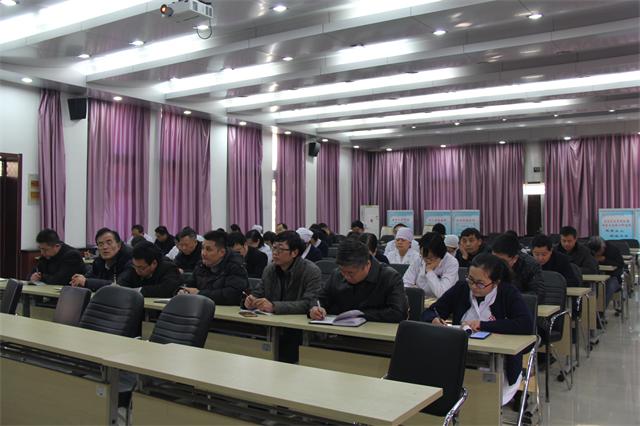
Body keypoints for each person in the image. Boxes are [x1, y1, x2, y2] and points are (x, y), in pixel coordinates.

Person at [422, 253, 533, 407]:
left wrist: (482, 325)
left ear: (495, 282)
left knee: (485, 401)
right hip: (461, 355)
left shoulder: (508, 293)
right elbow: (430, 312)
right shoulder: (461, 288)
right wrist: (434, 319)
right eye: (471, 280)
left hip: (499, 360)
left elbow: (525, 324)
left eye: (480, 284)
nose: (473, 287)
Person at [244, 230, 322, 363]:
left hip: (297, 332)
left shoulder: (311, 271)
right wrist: (251, 300)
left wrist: (274, 307)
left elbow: (309, 303)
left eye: (280, 249)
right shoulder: (270, 269)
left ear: (294, 252)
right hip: (271, 327)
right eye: (273, 248)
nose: (275, 253)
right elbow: (258, 292)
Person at [310, 238, 408, 322]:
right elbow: (320, 297)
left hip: (375, 334)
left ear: (367, 265)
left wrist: (360, 315)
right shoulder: (337, 274)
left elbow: (398, 313)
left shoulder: (389, 277)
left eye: (351, 273)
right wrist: (315, 308)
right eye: (343, 271)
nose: (346, 276)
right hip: (340, 331)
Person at [180, 230, 249, 305]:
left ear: (222, 252)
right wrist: (184, 290)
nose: (203, 253)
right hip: (201, 307)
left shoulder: (235, 266)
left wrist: (200, 294)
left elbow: (233, 295)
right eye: (202, 248)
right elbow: (190, 284)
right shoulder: (201, 264)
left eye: (208, 249)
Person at [403, 233, 459, 299]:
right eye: (423, 256)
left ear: (440, 255)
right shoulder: (419, 259)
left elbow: (443, 293)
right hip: (422, 299)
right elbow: (406, 282)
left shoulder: (451, 262)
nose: (426, 260)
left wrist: (429, 271)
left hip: (443, 301)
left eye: (430, 258)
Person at [492, 233, 543, 299]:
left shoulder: (530, 265)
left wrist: (511, 297)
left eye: (502, 261)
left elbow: (538, 294)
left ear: (514, 258)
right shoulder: (488, 262)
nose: (496, 263)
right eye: (494, 258)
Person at [587, 236, 625, 309]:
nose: (597, 254)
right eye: (595, 253)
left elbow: (621, 265)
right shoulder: (588, 249)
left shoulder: (613, 249)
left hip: (613, 277)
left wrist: (604, 260)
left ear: (603, 247)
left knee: (609, 287)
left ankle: (600, 311)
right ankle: (587, 311)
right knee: (588, 289)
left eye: (599, 251)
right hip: (594, 277)